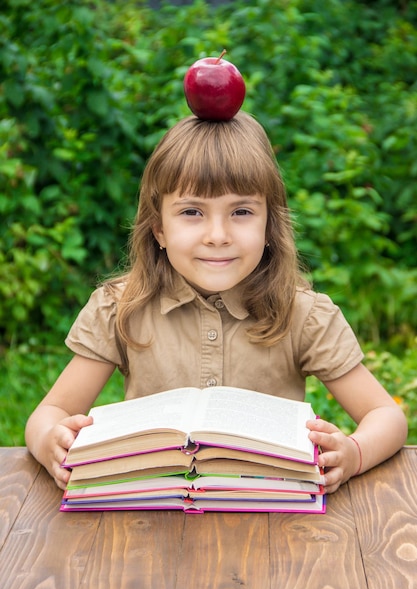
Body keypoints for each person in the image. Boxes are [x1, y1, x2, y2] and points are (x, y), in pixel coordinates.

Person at [25, 112, 408, 493]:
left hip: (272, 518)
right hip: (149, 515)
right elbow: (49, 414)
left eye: (241, 212)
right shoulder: (120, 307)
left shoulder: (304, 314)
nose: (218, 235)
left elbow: (386, 415)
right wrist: (50, 441)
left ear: (269, 227)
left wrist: (353, 452)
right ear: (159, 228)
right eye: (192, 212)